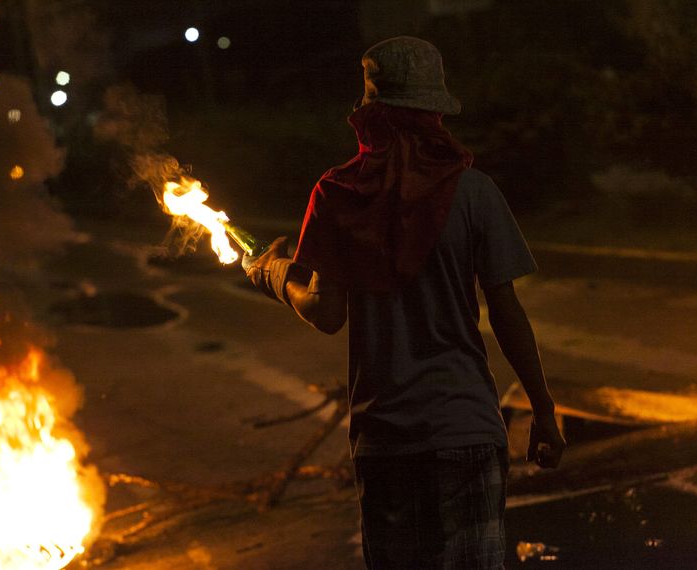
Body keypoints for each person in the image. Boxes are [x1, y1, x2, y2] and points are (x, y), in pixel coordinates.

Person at [242, 37, 566, 569]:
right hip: (467, 430)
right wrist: (544, 413)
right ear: (436, 110)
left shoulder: (336, 194)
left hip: (385, 440)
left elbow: (326, 312)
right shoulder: (474, 191)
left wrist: (276, 275)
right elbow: (507, 314)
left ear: (369, 110)